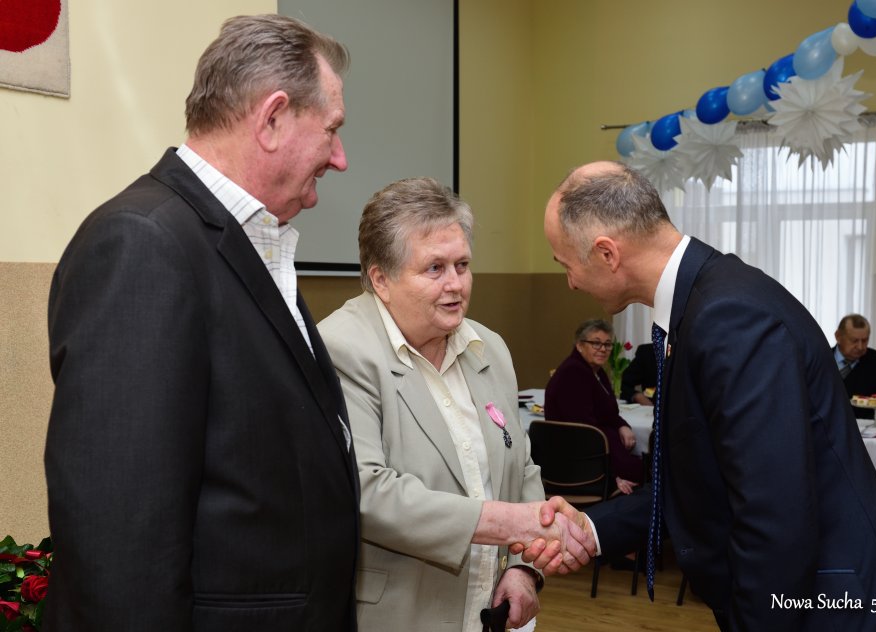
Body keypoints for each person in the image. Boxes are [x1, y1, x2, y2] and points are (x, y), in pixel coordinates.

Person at [45, 16, 360, 631]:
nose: (340, 158)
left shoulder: (247, 242)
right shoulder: (143, 244)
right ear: (272, 119)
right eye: (332, 130)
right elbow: (120, 537)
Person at [535, 161, 876, 631]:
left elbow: (775, 515)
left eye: (566, 265)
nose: (571, 282)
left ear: (606, 253)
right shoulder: (704, 301)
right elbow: (698, 479)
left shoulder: (727, 314)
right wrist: (591, 529)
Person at [316, 177, 595, 632]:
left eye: (462, 265)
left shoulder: (489, 347)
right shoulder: (339, 350)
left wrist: (523, 569)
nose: (456, 285)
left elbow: (521, 469)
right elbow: (367, 492)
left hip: (491, 614)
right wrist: (511, 524)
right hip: (399, 617)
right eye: (435, 268)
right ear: (381, 280)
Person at [544, 319, 645, 494]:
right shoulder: (573, 373)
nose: (603, 349)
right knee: (650, 474)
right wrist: (612, 476)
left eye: (607, 344)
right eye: (596, 343)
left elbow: (610, 412)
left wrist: (622, 425)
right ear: (579, 345)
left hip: (600, 449)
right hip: (581, 461)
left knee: (652, 468)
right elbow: (584, 432)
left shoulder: (596, 371)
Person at [833, 314, 876, 419]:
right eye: (854, 341)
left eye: (865, 340)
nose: (860, 347)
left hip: (864, 425)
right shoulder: (820, 359)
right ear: (838, 336)